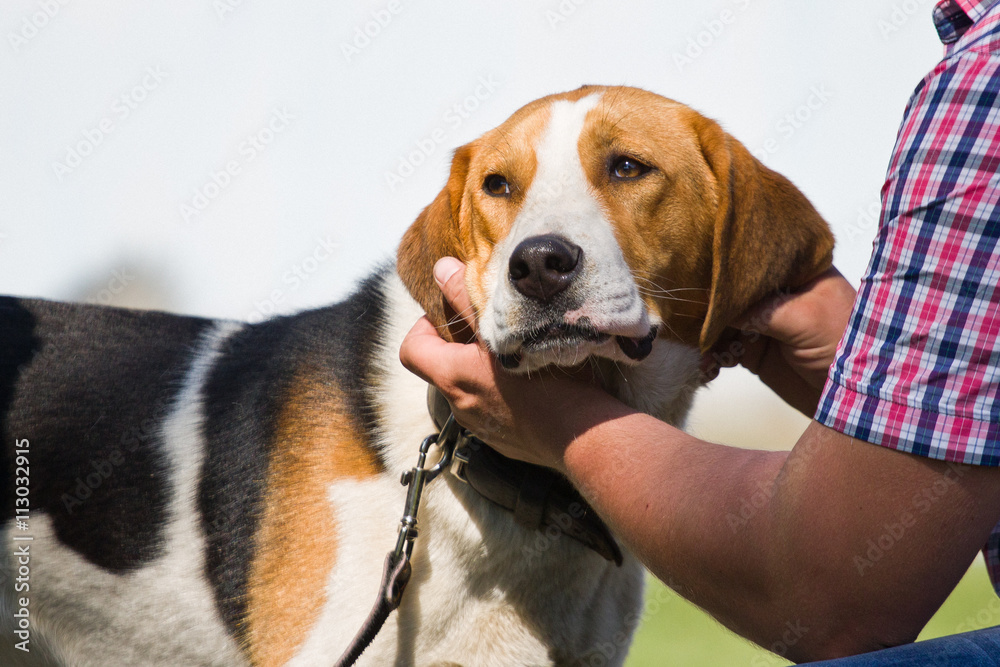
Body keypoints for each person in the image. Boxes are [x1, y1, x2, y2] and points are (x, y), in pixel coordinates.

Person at [400, 1, 1000, 663]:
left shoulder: (982, 84)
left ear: (734, 240)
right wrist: (865, 369)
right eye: (500, 185)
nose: (541, 251)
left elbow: (829, 605)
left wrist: (555, 421)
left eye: (626, 168)